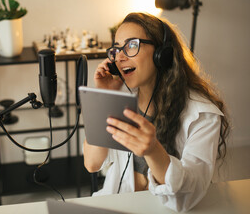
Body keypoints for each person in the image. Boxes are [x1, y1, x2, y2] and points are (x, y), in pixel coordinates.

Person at [83, 12, 230, 212]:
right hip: (119, 204)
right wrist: (104, 96)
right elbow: (92, 164)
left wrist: (152, 150)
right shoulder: (121, 97)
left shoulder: (203, 115)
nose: (120, 57)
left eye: (131, 45)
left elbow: (190, 194)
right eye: (116, 49)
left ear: (161, 53)